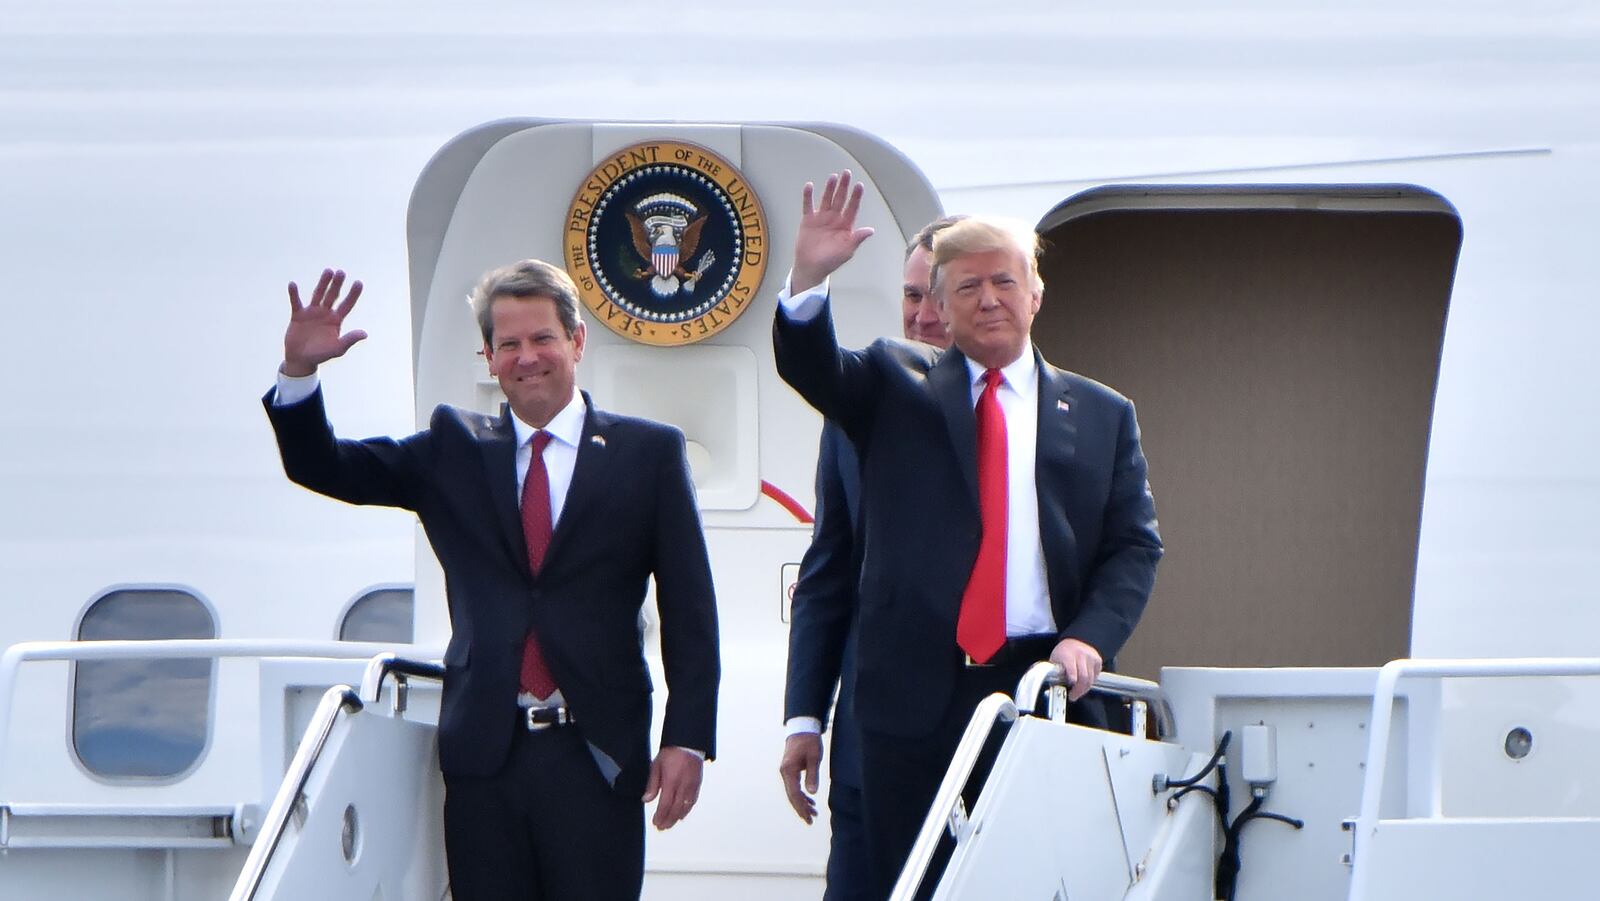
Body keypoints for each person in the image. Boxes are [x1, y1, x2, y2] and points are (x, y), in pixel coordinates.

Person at [263, 261, 719, 900]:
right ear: (488, 356)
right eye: (508, 344)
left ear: (577, 342)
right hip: (486, 758)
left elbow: (691, 608)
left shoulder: (649, 455)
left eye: (542, 339)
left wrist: (688, 738)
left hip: (597, 754)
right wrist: (298, 374)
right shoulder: (453, 447)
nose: (527, 357)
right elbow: (327, 466)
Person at [771, 172, 1162, 898]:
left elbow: (1135, 544)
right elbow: (813, 369)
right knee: (909, 884)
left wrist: (1091, 635)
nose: (990, 299)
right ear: (941, 309)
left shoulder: (1103, 413)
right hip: (911, 701)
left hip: (1043, 691)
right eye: (968, 287)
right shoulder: (896, 384)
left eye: (1005, 282)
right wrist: (809, 279)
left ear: (1036, 294)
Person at [778, 216, 961, 901]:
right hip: (868, 748)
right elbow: (828, 574)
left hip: (987, 741)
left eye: (941, 296)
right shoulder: (860, 404)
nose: (924, 315)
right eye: (912, 296)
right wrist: (805, 716)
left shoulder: (1047, 415)